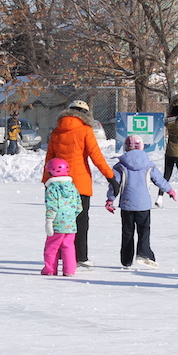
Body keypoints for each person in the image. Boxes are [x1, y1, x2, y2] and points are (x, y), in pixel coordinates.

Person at [43, 100, 121, 269]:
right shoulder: (85, 130)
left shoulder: (57, 131)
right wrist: (111, 177)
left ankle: (61, 255)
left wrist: (46, 181)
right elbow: (96, 156)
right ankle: (81, 256)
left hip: (57, 182)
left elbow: (49, 158)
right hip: (79, 182)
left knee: (59, 219)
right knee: (81, 220)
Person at [106, 135, 174, 270]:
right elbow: (159, 179)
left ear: (125, 147)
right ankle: (143, 253)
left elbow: (115, 184)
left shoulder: (120, 165)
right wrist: (170, 190)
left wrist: (110, 199)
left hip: (127, 204)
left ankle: (126, 260)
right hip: (143, 204)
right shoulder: (148, 164)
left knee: (127, 232)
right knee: (144, 230)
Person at [42, 158, 83, 277]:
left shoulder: (52, 188)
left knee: (52, 246)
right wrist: (70, 216)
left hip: (56, 223)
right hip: (70, 224)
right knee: (68, 247)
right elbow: (79, 206)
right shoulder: (72, 187)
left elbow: (52, 206)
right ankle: (69, 270)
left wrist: (49, 221)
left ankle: (50, 269)